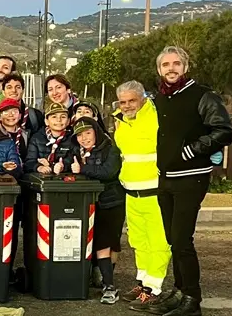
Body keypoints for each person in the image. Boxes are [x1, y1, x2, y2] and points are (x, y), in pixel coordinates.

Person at [148, 46, 232, 316]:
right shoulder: (160, 99)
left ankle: (192, 300)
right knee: (173, 239)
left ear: (185, 67)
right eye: (165, 65)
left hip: (191, 177)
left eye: (176, 63)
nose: (170, 68)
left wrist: (193, 150)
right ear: (159, 70)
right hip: (166, 178)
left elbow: (223, 131)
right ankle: (179, 291)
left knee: (183, 240)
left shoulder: (202, 95)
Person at [112, 80, 171, 309]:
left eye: (132, 101)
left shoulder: (157, 117)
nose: (127, 106)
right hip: (131, 192)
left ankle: (153, 289)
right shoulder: (120, 121)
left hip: (155, 192)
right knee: (138, 242)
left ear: (143, 98)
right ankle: (142, 282)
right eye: (123, 101)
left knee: (158, 243)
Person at [69, 117, 126, 304]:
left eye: (88, 133)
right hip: (87, 203)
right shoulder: (76, 151)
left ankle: (107, 279)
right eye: (79, 135)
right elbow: (70, 169)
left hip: (111, 202)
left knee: (112, 243)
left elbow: (108, 172)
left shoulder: (111, 148)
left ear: (96, 131)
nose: (84, 138)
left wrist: (83, 168)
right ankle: (108, 284)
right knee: (102, 244)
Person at [26, 102, 76, 175]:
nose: (58, 120)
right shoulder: (36, 138)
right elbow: (29, 162)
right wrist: (39, 167)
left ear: (68, 121)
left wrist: (56, 166)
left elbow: (72, 160)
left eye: (63, 117)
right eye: (54, 117)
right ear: (46, 121)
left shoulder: (73, 138)